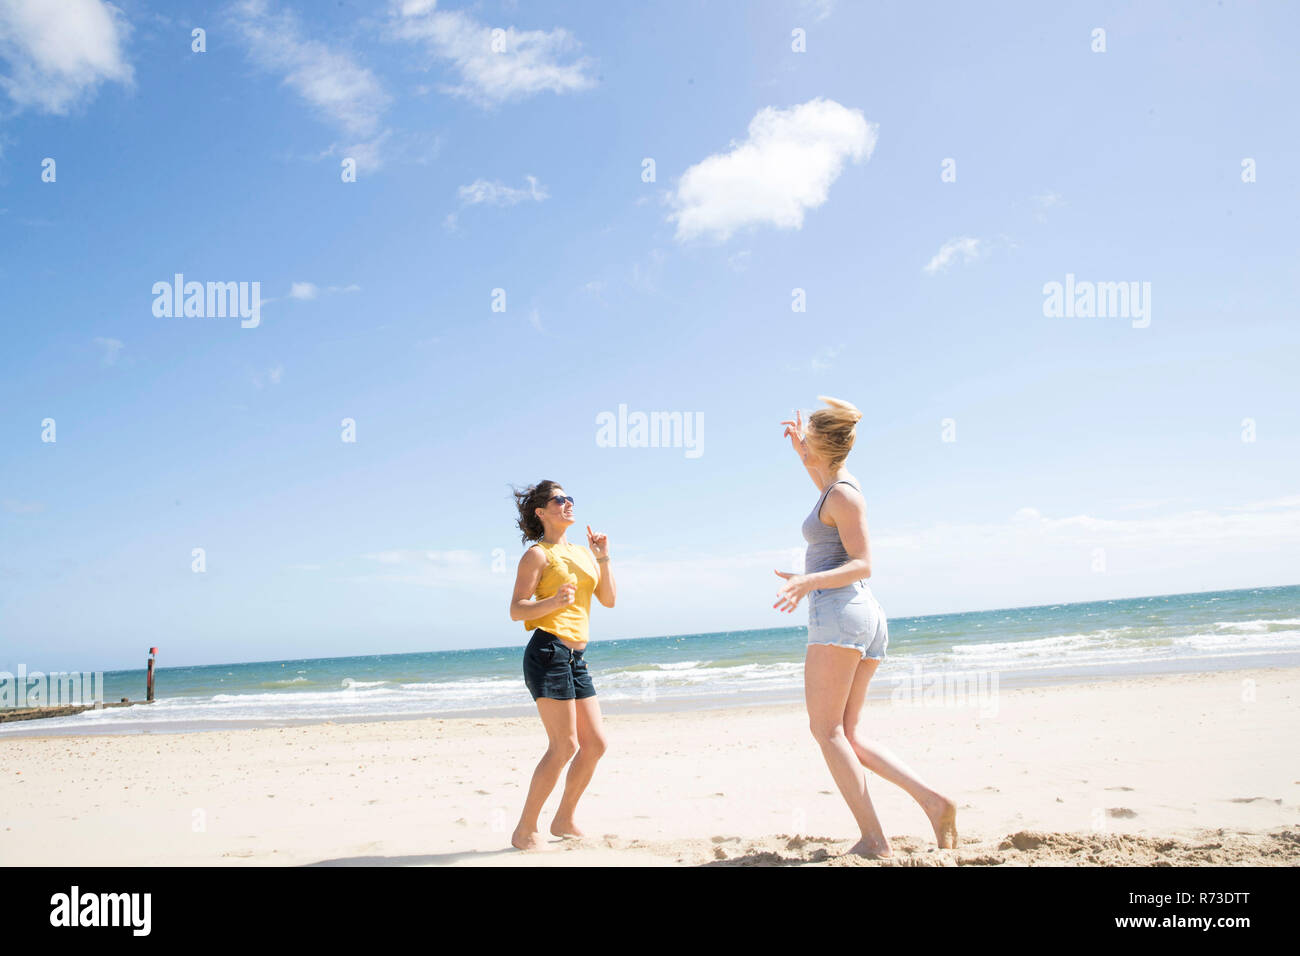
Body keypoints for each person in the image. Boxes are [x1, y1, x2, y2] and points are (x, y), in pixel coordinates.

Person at [774, 397, 958, 858]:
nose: (805, 449)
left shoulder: (844, 494)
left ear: (824, 443)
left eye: (809, 439)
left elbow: (863, 564)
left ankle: (875, 840)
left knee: (826, 731)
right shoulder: (834, 485)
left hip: (840, 613)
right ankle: (934, 803)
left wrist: (806, 581)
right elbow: (818, 478)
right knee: (847, 734)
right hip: (860, 617)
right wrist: (801, 450)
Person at [507, 480, 616, 850]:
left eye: (570, 498)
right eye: (559, 499)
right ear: (541, 512)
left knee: (595, 744)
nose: (568, 503)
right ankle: (524, 829)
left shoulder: (585, 554)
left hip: (575, 658)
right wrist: (552, 602)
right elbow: (516, 609)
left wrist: (602, 556)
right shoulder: (537, 555)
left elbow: (609, 599)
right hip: (547, 652)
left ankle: (564, 818)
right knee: (564, 745)